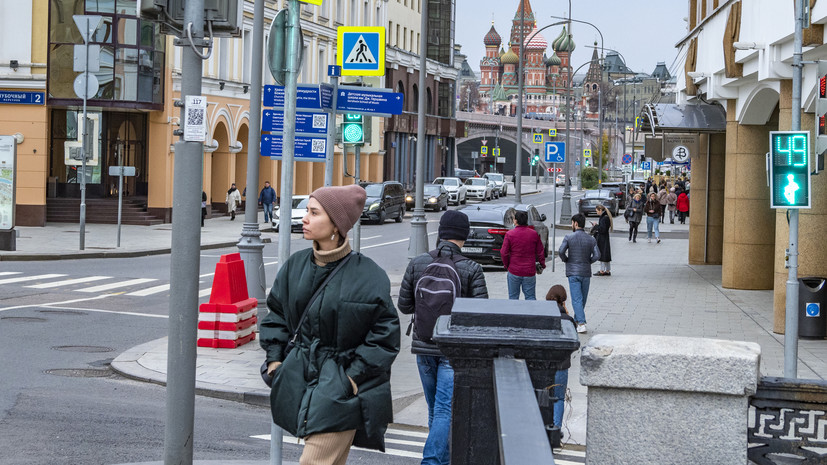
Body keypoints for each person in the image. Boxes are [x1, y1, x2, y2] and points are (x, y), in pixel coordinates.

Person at [260, 184, 400, 465]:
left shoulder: (368, 276)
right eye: (307, 211)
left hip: (339, 389)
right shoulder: (295, 266)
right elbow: (276, 314)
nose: (305, 218)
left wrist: (350, 379)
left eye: (314, 212)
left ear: (336, 224)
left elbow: (385, 336)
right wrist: (275, 362)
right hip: (300, 381)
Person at [398, 210, 488, 465]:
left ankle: (442, 459)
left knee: (435, 410)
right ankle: (432, 462)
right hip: (453, 350)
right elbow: (480, 315)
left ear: (441, 234)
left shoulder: (417, 263)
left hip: (423, 346)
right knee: (444, 410)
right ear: (465, 236)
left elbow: (404, 307)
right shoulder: (471, 269)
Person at [558, 213, 600, 333]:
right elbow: (597, 255)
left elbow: (561, 251)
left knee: (577, 299)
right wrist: (588, 262)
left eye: (572, 223)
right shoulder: (591, 239)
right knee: (582, 298)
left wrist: (566, 260)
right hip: (586, 272)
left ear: (575, 223)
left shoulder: (569, 237)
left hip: (573, 272)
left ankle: (581, 323)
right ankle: (577, 320)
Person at [545, 284, 575, 447]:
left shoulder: (542, 317)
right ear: (563, 300)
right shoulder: (568, 320)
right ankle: (555, 431)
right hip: (561, 366)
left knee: (542, 397)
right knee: (558, 398)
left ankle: (542, 426)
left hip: (543, 366)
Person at [501, 210, 545, 299]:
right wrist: (542, 264)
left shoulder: (510, 234)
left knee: (513, 298)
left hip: (514, 270)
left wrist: (507, 265)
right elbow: (540, 251)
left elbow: (504, 252)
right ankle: (530, 313)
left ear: (516, 221)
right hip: (529, 271)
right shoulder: (533, 234)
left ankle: (515, 313)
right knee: (530, 297)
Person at [591, 204, 612, 276]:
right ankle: (607, 270)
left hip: (602, 238)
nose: (597, 212)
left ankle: (602, 270)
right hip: (605, 237)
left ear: (600, 210)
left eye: (597, 211)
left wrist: (596, 226)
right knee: (606, 254)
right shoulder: (606, 216)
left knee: (602, 254)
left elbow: (602, 229)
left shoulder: (604, 218)